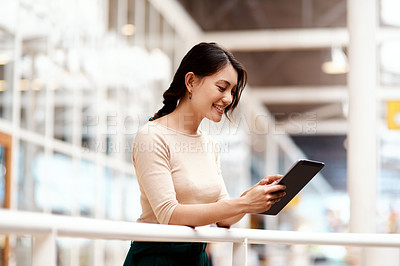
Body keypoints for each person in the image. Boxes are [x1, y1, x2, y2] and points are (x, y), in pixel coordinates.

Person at [123, 42, 286, 266]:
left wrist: (250, 198)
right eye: (222, 88)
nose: (229, 99)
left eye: (233, 91)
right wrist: (243, 204)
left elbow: (224, 218)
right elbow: (169, 215)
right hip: (157, 258)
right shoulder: (152, 136)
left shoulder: (209, 144)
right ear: (190, 81)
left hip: (198, 257)